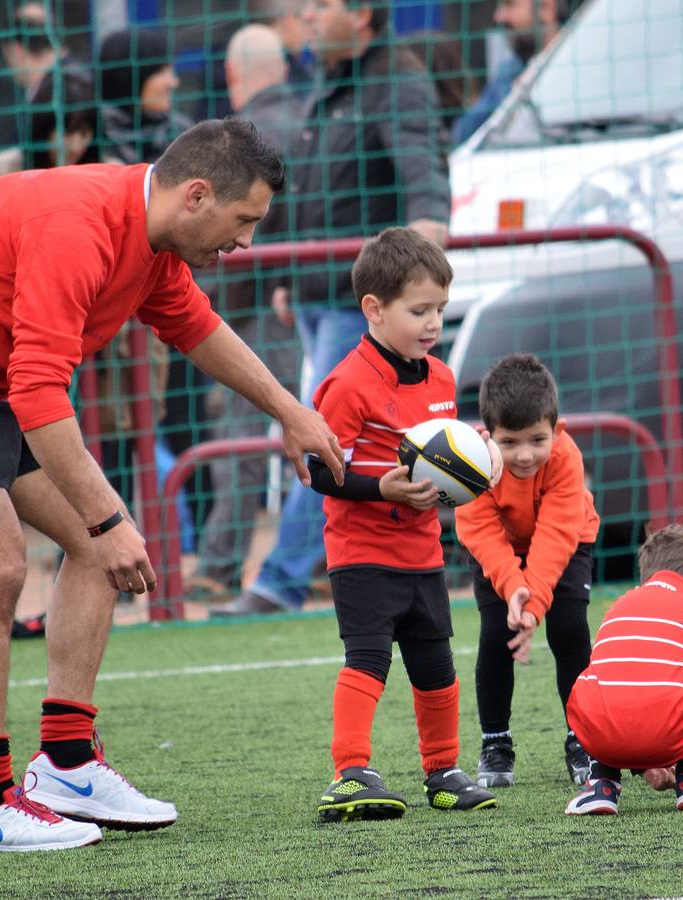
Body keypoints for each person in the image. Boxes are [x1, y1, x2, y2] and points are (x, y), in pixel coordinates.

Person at [0, 118, 347, 855]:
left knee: (92, 549)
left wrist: (290, 411)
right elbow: (39, 394)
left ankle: (67, 765)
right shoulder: (78, 226)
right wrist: (108, 519)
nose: (244, 243)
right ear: (197, 196)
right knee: (2, 568)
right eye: (244, 222)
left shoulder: (152, 238)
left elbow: (197, 329)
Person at [216, 0, 451, 617]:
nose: (309, 18)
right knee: (332, 436)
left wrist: (422, 262)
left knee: (319, 435)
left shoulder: (396, 80)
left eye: (322, 6)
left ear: (365, 16)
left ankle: (280, 581)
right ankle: (314, 569)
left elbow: (425, 174)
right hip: (321, 295)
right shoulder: (333, 80)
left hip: (363, 308)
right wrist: (293, 278)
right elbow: (322, 186)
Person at [308, 227, 497, 823]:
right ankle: (350, 772)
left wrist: (475, 456)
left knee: (435, 664)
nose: (433, 322)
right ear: (374, 309)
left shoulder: (439, 378)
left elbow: (445, 456)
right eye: (419, 311)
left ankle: (442, 772)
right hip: (361, 551)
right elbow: (318, 469)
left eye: (439, 309)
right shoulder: (348, 383)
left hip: (423, 553)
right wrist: (378, 487)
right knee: (368, 660)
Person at [188, 25, 307, 600]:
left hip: (258, 307)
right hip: (305, 298)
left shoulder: (248, 141)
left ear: (235, 77)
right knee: (316, 426)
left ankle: (218, 564)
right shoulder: (309, 114)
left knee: (239, 435)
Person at [454, 353, 599, 788]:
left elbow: (556, 535)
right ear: (487, 436)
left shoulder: (565, 459)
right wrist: (513, 589)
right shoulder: (472, 462)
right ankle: (495, 742)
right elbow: (480, 532)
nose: (523, 455)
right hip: (499, 552)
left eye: (537, 440)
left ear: (558, 430)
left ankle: (584, 738)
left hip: (569, 541)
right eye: (509, 442)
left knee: (570, 628)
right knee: (496, 634)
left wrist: (533, 602)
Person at [564, 525, 683, 815]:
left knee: (610, 675)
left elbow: (632, 690)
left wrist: (643, 762)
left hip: (596, 734)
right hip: (669, 726)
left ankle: (600, 783)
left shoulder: (619, 606)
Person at [450, 0, 569, 146]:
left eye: (510, 5)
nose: (499, 17)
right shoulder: (511, 69)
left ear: (546, 8)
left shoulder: (583, 62)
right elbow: (463, 133)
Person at [0, 72, 105, 183]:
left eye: (84, 133)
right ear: (44, 128)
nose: (76, 146)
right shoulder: (3, 170)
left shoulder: (107, 173)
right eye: (67, 132)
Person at [95, 29, 193, 166]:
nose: (173, 82)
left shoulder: (181, 133)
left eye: (170, 70)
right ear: (129, 75)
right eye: (160, 71)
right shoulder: (91, 135)